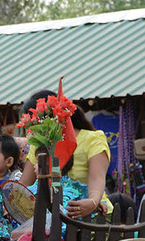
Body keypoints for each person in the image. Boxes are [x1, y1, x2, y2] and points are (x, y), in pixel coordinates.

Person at [17, 89, 112, 222]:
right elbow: (23, 187)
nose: (33, 130)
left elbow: (97, 179)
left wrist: (92, 202)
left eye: (36, 123)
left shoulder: (93, 139)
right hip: (50, 218)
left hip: (92, 216)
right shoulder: (38, 143)